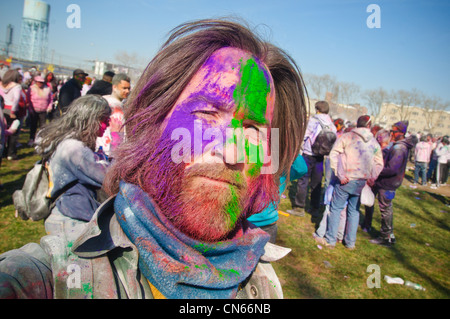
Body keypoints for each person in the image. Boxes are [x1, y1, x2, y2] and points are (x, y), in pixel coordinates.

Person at [0, 18, 307, 299]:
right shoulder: (47, 278)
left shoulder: (264, 286)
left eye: (253, 129)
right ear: (149, 124)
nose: (231, 152)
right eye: (206, 113)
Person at [33, 95, 116, 240]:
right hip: (73, 219)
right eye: (104, 120)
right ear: (90, 119)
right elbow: (107, 177)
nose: (108, 125)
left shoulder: (65, 140)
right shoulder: (74, 149)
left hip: (65, 212)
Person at [317, 115, 383, 249]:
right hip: (361, 181)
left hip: (346, 179)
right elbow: (379, 163)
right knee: (354, 210)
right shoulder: (373, 143)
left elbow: (333, 154)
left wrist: (339, 173)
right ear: (368, 126)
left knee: (336, 209)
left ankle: (331, 240)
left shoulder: (347, 137)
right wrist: (370, 177)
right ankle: (350, 242)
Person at [369, 121, 413, 246]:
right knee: (387, 209)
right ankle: (389, 235)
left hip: (388, 183)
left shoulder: (399, 148)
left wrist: (377, 171)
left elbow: (392, 169)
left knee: (385, 210)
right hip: (391, 183)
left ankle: (385, 237)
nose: (391, 134)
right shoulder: (399, 145)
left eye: (394, 131)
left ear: (401, 133)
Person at [290, 100, 336, 217]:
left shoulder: (313, 120)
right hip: (321, 156)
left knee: (303, 180)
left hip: (308, 153)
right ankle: (314, 208)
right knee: (317, 183)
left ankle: (299, 207)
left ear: (317, 109)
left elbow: (304, 135)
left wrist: (299, 148)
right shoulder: (330, 124)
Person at [248, 154, 307, 243]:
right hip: (265, 224)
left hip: (257, 224)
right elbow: (301, 168)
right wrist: (290, 146)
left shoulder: (247, 166)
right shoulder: (282, 171)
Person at [362, 128, 391, 232]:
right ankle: (367, 224)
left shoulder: (389, 152)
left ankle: (385, 231)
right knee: (369, 202)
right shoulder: (376, 148)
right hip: (373, 180)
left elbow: (387, 168)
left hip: (382, 181)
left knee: (384, 207)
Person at [96, 73, 131, 158]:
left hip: (113, 149)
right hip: (108, 150)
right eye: (124, 88)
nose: (127, 91)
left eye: (128, 88)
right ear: (114, 87)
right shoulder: (109, 104)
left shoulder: (122, 105)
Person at [0, 69, 26, 160]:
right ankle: (11, 153)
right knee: (14, 133)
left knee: (3, 131)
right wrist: (13, 111)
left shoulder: (1, 84)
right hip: (12, 110)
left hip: (2, 109)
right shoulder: (17, 86)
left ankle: (3, 152)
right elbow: (16, 99)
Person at [27, 75, 53, 146]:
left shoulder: (47, 89)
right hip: (34, 110)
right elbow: (28, 99)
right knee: (33, 125)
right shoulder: (31, 88)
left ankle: (41, 139)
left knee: (42, 126)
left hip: (43, 110)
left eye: (41, 82)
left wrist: (49, 107)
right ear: (36, 82)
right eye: (38, 82)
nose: (40, 83)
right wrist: (30, 109)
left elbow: (51, 99)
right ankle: (31, 139)